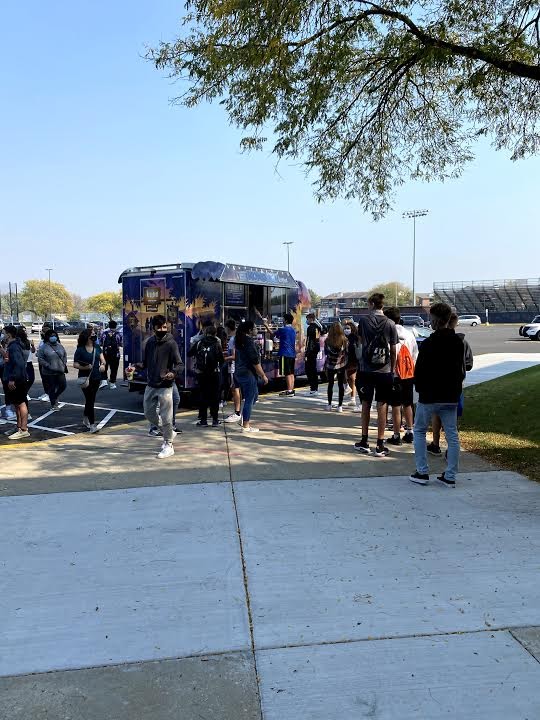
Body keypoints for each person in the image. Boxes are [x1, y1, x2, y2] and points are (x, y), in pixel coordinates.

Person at [410, 302, 466, 488]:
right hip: (450, 395)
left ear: (435, 320)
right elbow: (460, 370)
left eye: (431, 319)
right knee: (452, 434)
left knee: (419, 430)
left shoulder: (428, 344)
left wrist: (419, 388)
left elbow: (421, 371)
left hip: (430, 395)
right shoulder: (458, 342)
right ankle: (450, 475)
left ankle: (422, 471)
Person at [354, 293, 398, 457]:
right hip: (384, 370)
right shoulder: (391, 323)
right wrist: (392, 370)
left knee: (366, 404)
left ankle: (364, 440)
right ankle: (380, 444)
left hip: (366, 369)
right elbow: (393, 350)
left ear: (372, 304)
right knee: (382, 405)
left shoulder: (364, 321)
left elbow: (360, 341)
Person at [428, 311, 474, 456]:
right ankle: (451, 450)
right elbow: (468, 364)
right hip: (455, 386)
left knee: (437, 414)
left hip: (437, 385)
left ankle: (436, 444)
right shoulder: (462, 342)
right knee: (453, 420)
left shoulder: (434, 341)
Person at [139, 315, 182, 458]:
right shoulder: (150, 342)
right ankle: (169, 432)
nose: (163, 329)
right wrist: (137, 366)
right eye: (160, 327)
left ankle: (168, 444)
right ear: (154, 328)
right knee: (148, 413)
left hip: (166, 385)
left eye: (165, 327)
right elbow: (145, 362)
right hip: (151, 384)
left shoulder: (171, 343)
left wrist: (173, 373)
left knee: (166, 417)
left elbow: (179, 364)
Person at [383, 307, 418, 445]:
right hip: (408, 373)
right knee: (408, 403)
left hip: (394, 374)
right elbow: (415, 354)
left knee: (395, 406)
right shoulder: (409, 334)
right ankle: (410, 432)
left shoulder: (386, 334)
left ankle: (396, 435)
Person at [234, 320, 268, 433]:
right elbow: (255, 361)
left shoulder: (239, 340)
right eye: (254, 328)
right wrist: (263, 375)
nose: (256, 330)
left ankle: (244, 418)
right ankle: (246, 426)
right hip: (248, 372)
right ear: (249, 330)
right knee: (249, 399)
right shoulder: (248, 342)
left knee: (254, 396)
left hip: (239, 371)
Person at [188, 322, 224, 427]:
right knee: (215, 396)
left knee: (203, 396)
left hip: (202, 373)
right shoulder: (217, 342)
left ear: (205, 332)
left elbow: (189, 353)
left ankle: (203, 420)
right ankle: (215, 420)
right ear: (215, 333)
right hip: (214, 373)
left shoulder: (199, 342)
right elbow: (221, 359)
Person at [73, 328, 106, 434]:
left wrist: (103, 365)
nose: (94, 336)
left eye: (94, 334)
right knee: (90, 400)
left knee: (90, 400)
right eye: (92, 334)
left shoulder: (97, 347)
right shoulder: (80, 350)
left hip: (96, 377)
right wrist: (86, 367)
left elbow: (103, 360)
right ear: (87, 337)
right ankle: (92, 425)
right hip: (85, 379)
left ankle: (86, 417)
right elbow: (75, 364)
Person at [1, 325, 30, 439]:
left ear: (8, 334)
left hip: (17, 380)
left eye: (3, 333)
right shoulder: (12, 346)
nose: (2, 335)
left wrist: (12, 379)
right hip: (13, 379)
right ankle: (18, 427)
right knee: (16, 404)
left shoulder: (14, 347)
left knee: (21, 403)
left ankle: (24, 429)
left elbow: (18, 364)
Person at [258, 311, 297, 397]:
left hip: (284, 353)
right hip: (292, 354)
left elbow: (272, 334)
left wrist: (265, 325)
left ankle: (289, 390)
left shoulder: (283, 329)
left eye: (283, 319)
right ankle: (292, 390)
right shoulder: (293, 330)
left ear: (286, 320)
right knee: (291, 373)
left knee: (287, 373)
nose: (282, 321)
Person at [37, 328, 68, 411]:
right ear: (47, 337)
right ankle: (54, 404)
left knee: (63, 385)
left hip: (60, 370)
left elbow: (64, 355)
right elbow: (40, 358)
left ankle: (55, 396)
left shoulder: (60, 346)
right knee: (52, 388)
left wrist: (64, 363)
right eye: (51, 336)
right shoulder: (44, 347)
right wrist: (48, 365)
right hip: (49, 372)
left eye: (54, 336)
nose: (53, 337)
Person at [324, 322, 348, 412]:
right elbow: (347, 352)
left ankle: (329, 404)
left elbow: (326, 353)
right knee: (340, 385)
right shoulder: (344, 340)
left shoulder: (327, 340)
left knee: (330, 384)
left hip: (330, 364)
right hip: (341, 364)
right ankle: (340, 406)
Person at [224, 319, 242, 424]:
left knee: (235, 389)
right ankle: (237, 412)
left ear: (228, 327)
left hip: (234, 367)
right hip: (235, 367)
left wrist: (224, 358)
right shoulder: (235, 338)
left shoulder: (233, 339)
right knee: (235, 389)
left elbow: (234, 356)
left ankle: (237, 412)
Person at [17, 326, 36, 421]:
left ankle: (25, 413)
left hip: (28, 365)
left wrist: (32, 346)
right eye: (23, 331)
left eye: (25, 330)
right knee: (22, 393)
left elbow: (32, 351)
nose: (25, 332)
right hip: (24, 366)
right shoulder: (18, 343)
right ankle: (25, 413)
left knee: (23, 391)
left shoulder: (27, 341)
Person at [343, 320, 361, 412]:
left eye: (348, 328)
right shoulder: (345, 337)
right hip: (349, 360)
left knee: (352, 379)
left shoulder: (354, 337)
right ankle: (352, 399)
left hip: (353, 360)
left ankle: (354, 399)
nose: (346, 330)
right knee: (351, 379)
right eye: (345, 328)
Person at [100, 320, 123, 389]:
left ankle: (104, 381)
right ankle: (112, 383)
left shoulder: (103, 333)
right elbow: (121, 343)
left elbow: (101, 343)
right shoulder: (119, 334)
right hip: (115, 354)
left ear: (109, 326)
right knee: (114, 368)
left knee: (104, 366)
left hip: (105, 353)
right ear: (116, 326)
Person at [305, 313, 322, 395]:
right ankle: (315, 388)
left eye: (307, 319)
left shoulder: (310, 328)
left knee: (309, 370)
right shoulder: (317, 327)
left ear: (311, 319)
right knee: (313, 369)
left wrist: (307, 352)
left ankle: (313, 389)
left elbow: (309, 341)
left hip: (311, 351)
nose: (306, 321)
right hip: (315, 350)